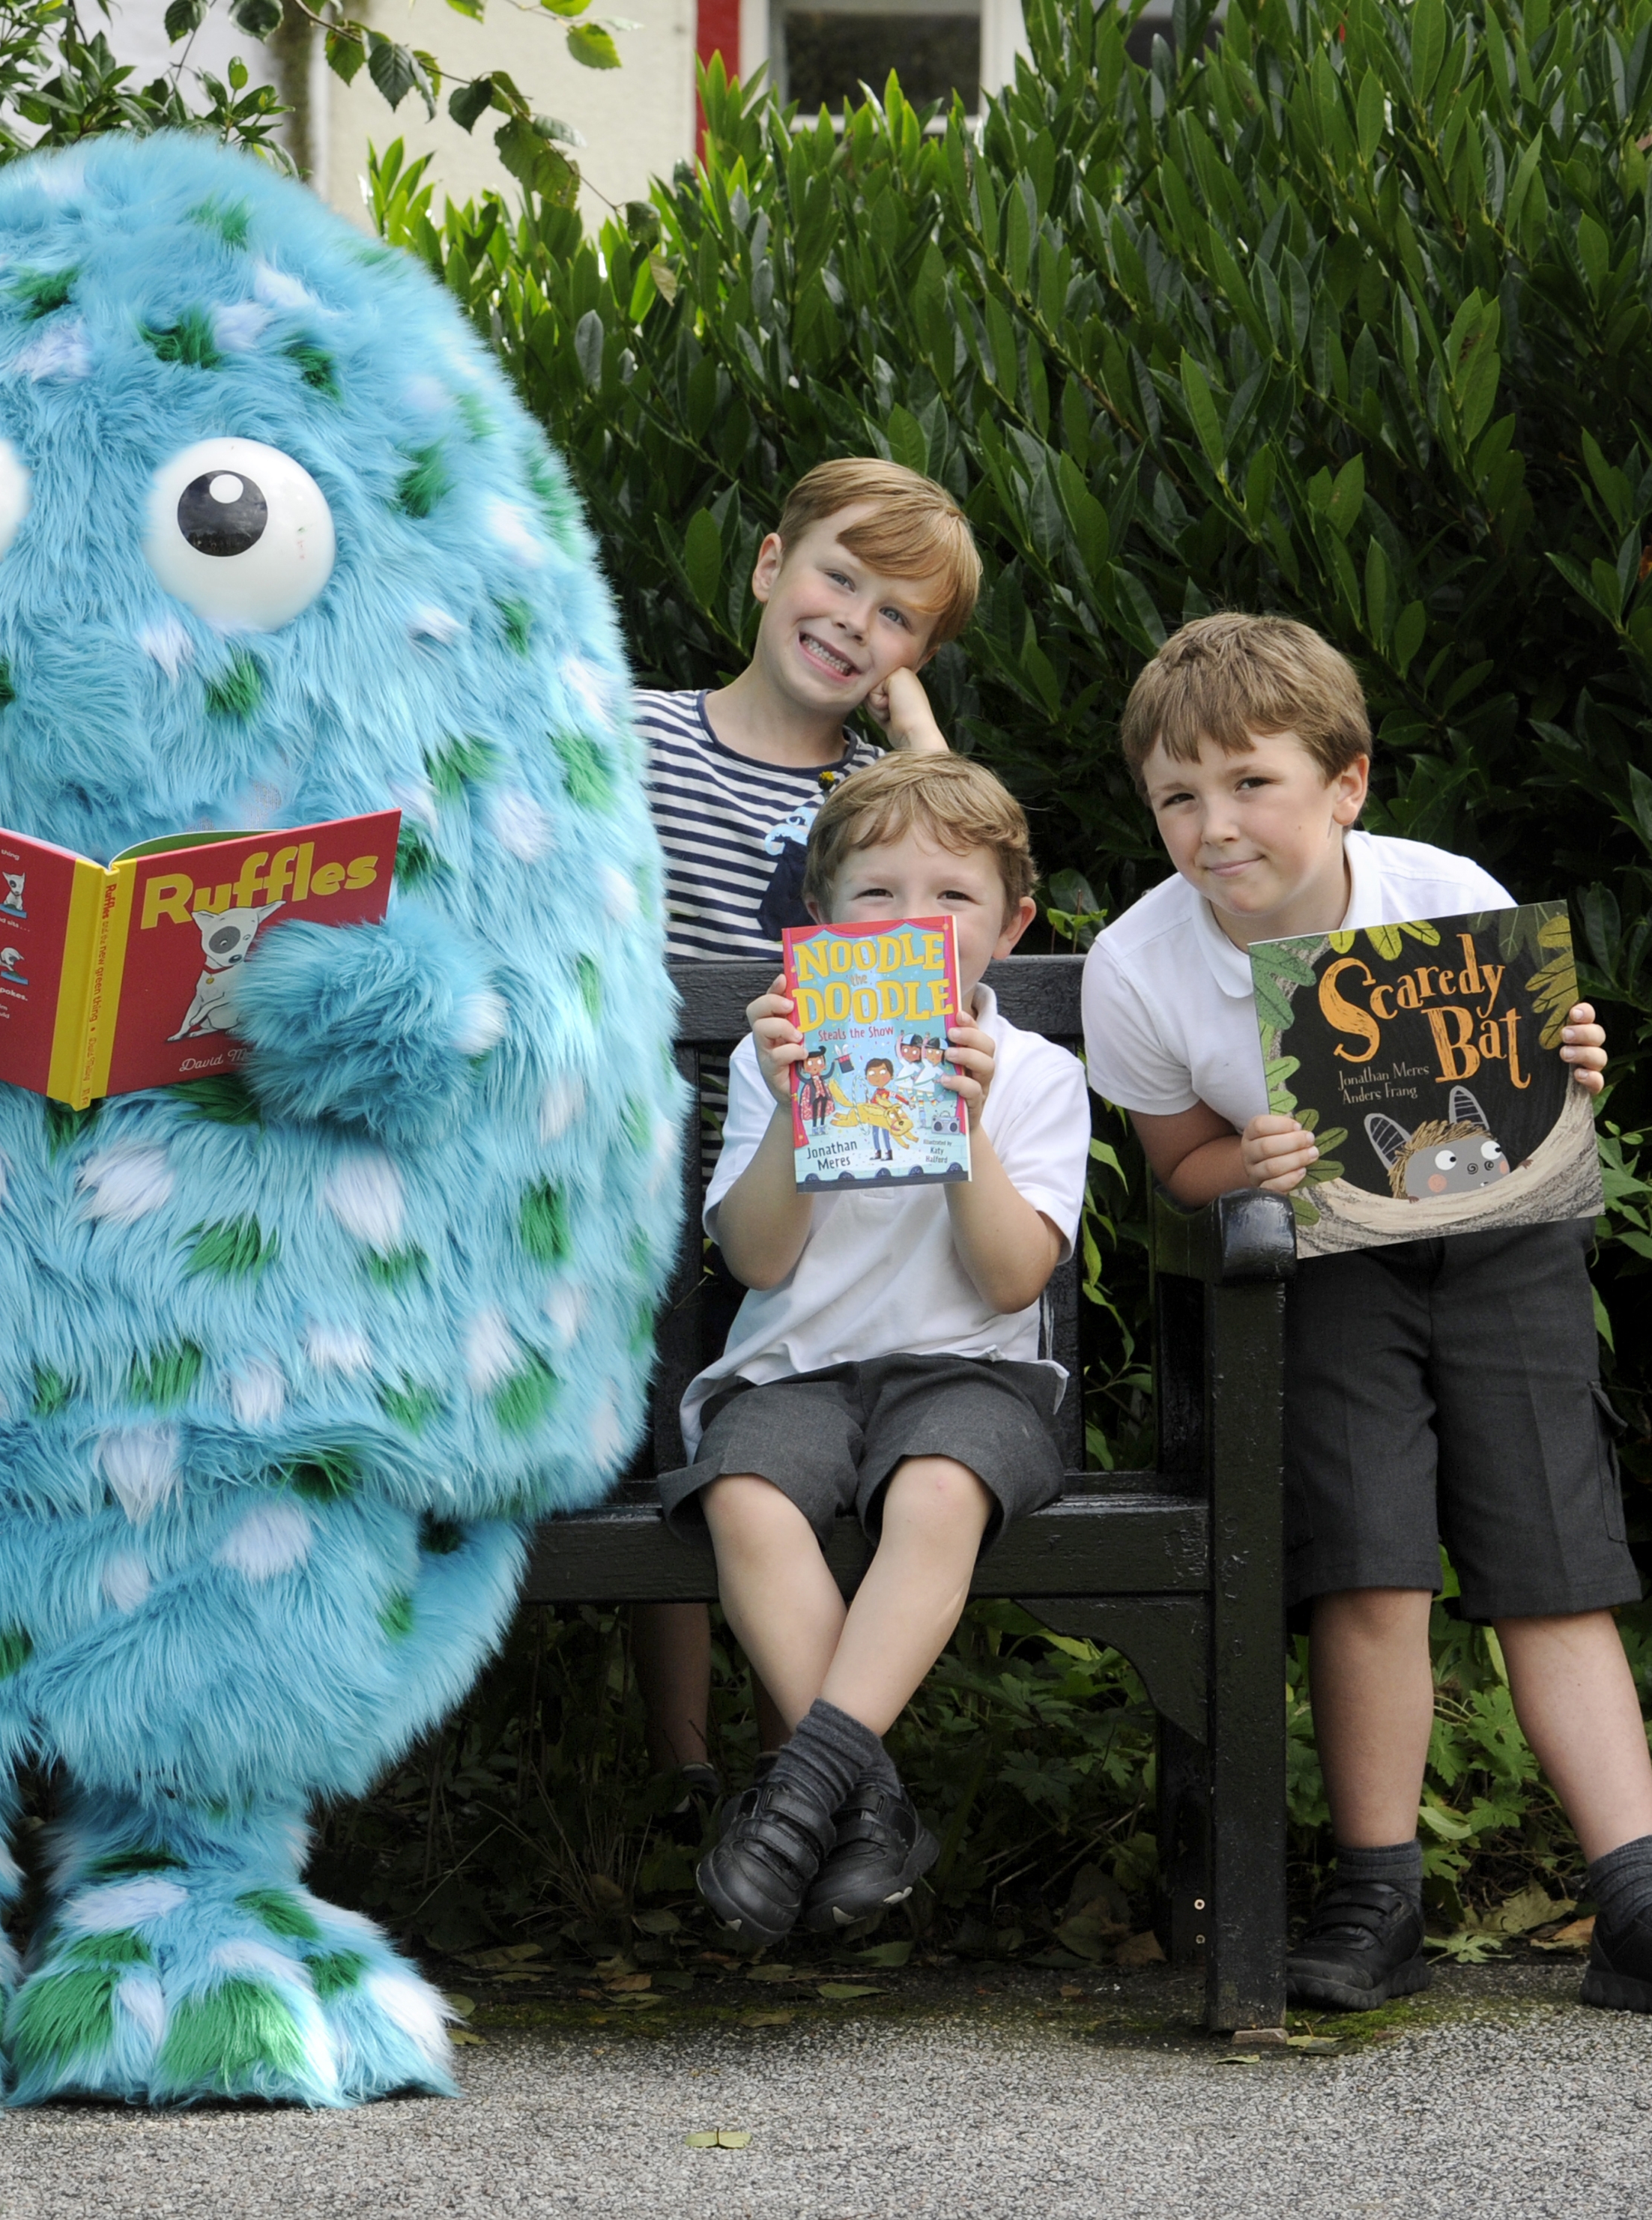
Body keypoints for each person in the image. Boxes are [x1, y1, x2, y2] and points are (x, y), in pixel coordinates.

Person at [1080, 612, 1652, 2025]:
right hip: (1325, 1256)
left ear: (1344, 783)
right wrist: (1252, 1164)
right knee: (1369, 1561)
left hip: (1503, 1243)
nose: (1214, 826)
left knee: (1552, 1552)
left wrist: (1571, 1063)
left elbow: (1530, 1106)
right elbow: (1182, 1170)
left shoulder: (1442, 891)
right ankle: (1378, 1893)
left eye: (1250, 783)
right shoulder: (1137, 968)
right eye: (1178, 796)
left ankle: (1642, 1902)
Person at [670, 754, 1088, 1942]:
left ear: (1008, 927)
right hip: (796, 1369)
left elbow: (1013, 1276)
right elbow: (756, 1260)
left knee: (938, 1488)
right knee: (744, 1493)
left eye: (951, 897)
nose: (912, 920)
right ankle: (867, 1809)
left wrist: (962, 1125)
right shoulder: (782, 1057)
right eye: (875, 895)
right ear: (820, 920)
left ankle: (796, 1801)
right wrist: (793, 1107)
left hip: (975, 1373)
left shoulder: (1040, 1077)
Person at [630, 458, 982, 1812]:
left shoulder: (877, 792)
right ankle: (686, 1766)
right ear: (771, 564)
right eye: (839, 578)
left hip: (828, 1191)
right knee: (671, 1416)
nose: (853, 622)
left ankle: (806, 1770)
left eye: (899, 619)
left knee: (793, 1424)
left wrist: (912, 725)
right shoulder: (636, 733)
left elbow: (973, 871)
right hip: (648, 1175)